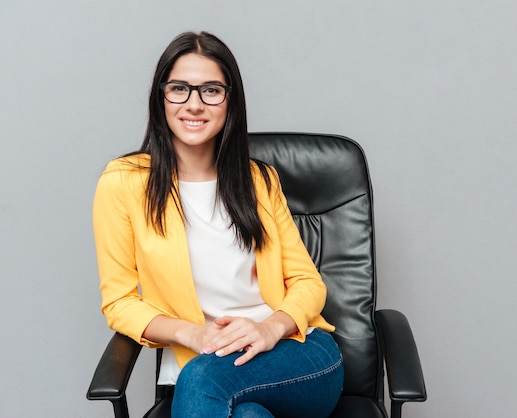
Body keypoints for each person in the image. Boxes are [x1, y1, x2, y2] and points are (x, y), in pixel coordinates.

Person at [92, 31, 344, 418]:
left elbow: (308, 283)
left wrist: (269, 329)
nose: (194, 104)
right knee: (243, 412)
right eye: (179, 88)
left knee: (204, 381)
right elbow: (119, 301)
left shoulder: (259, 180)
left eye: (211, 90)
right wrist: (188, 332)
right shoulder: (124, 183)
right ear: (161, 98)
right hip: (205, 358)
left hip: (296, 353)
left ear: (230, 101)